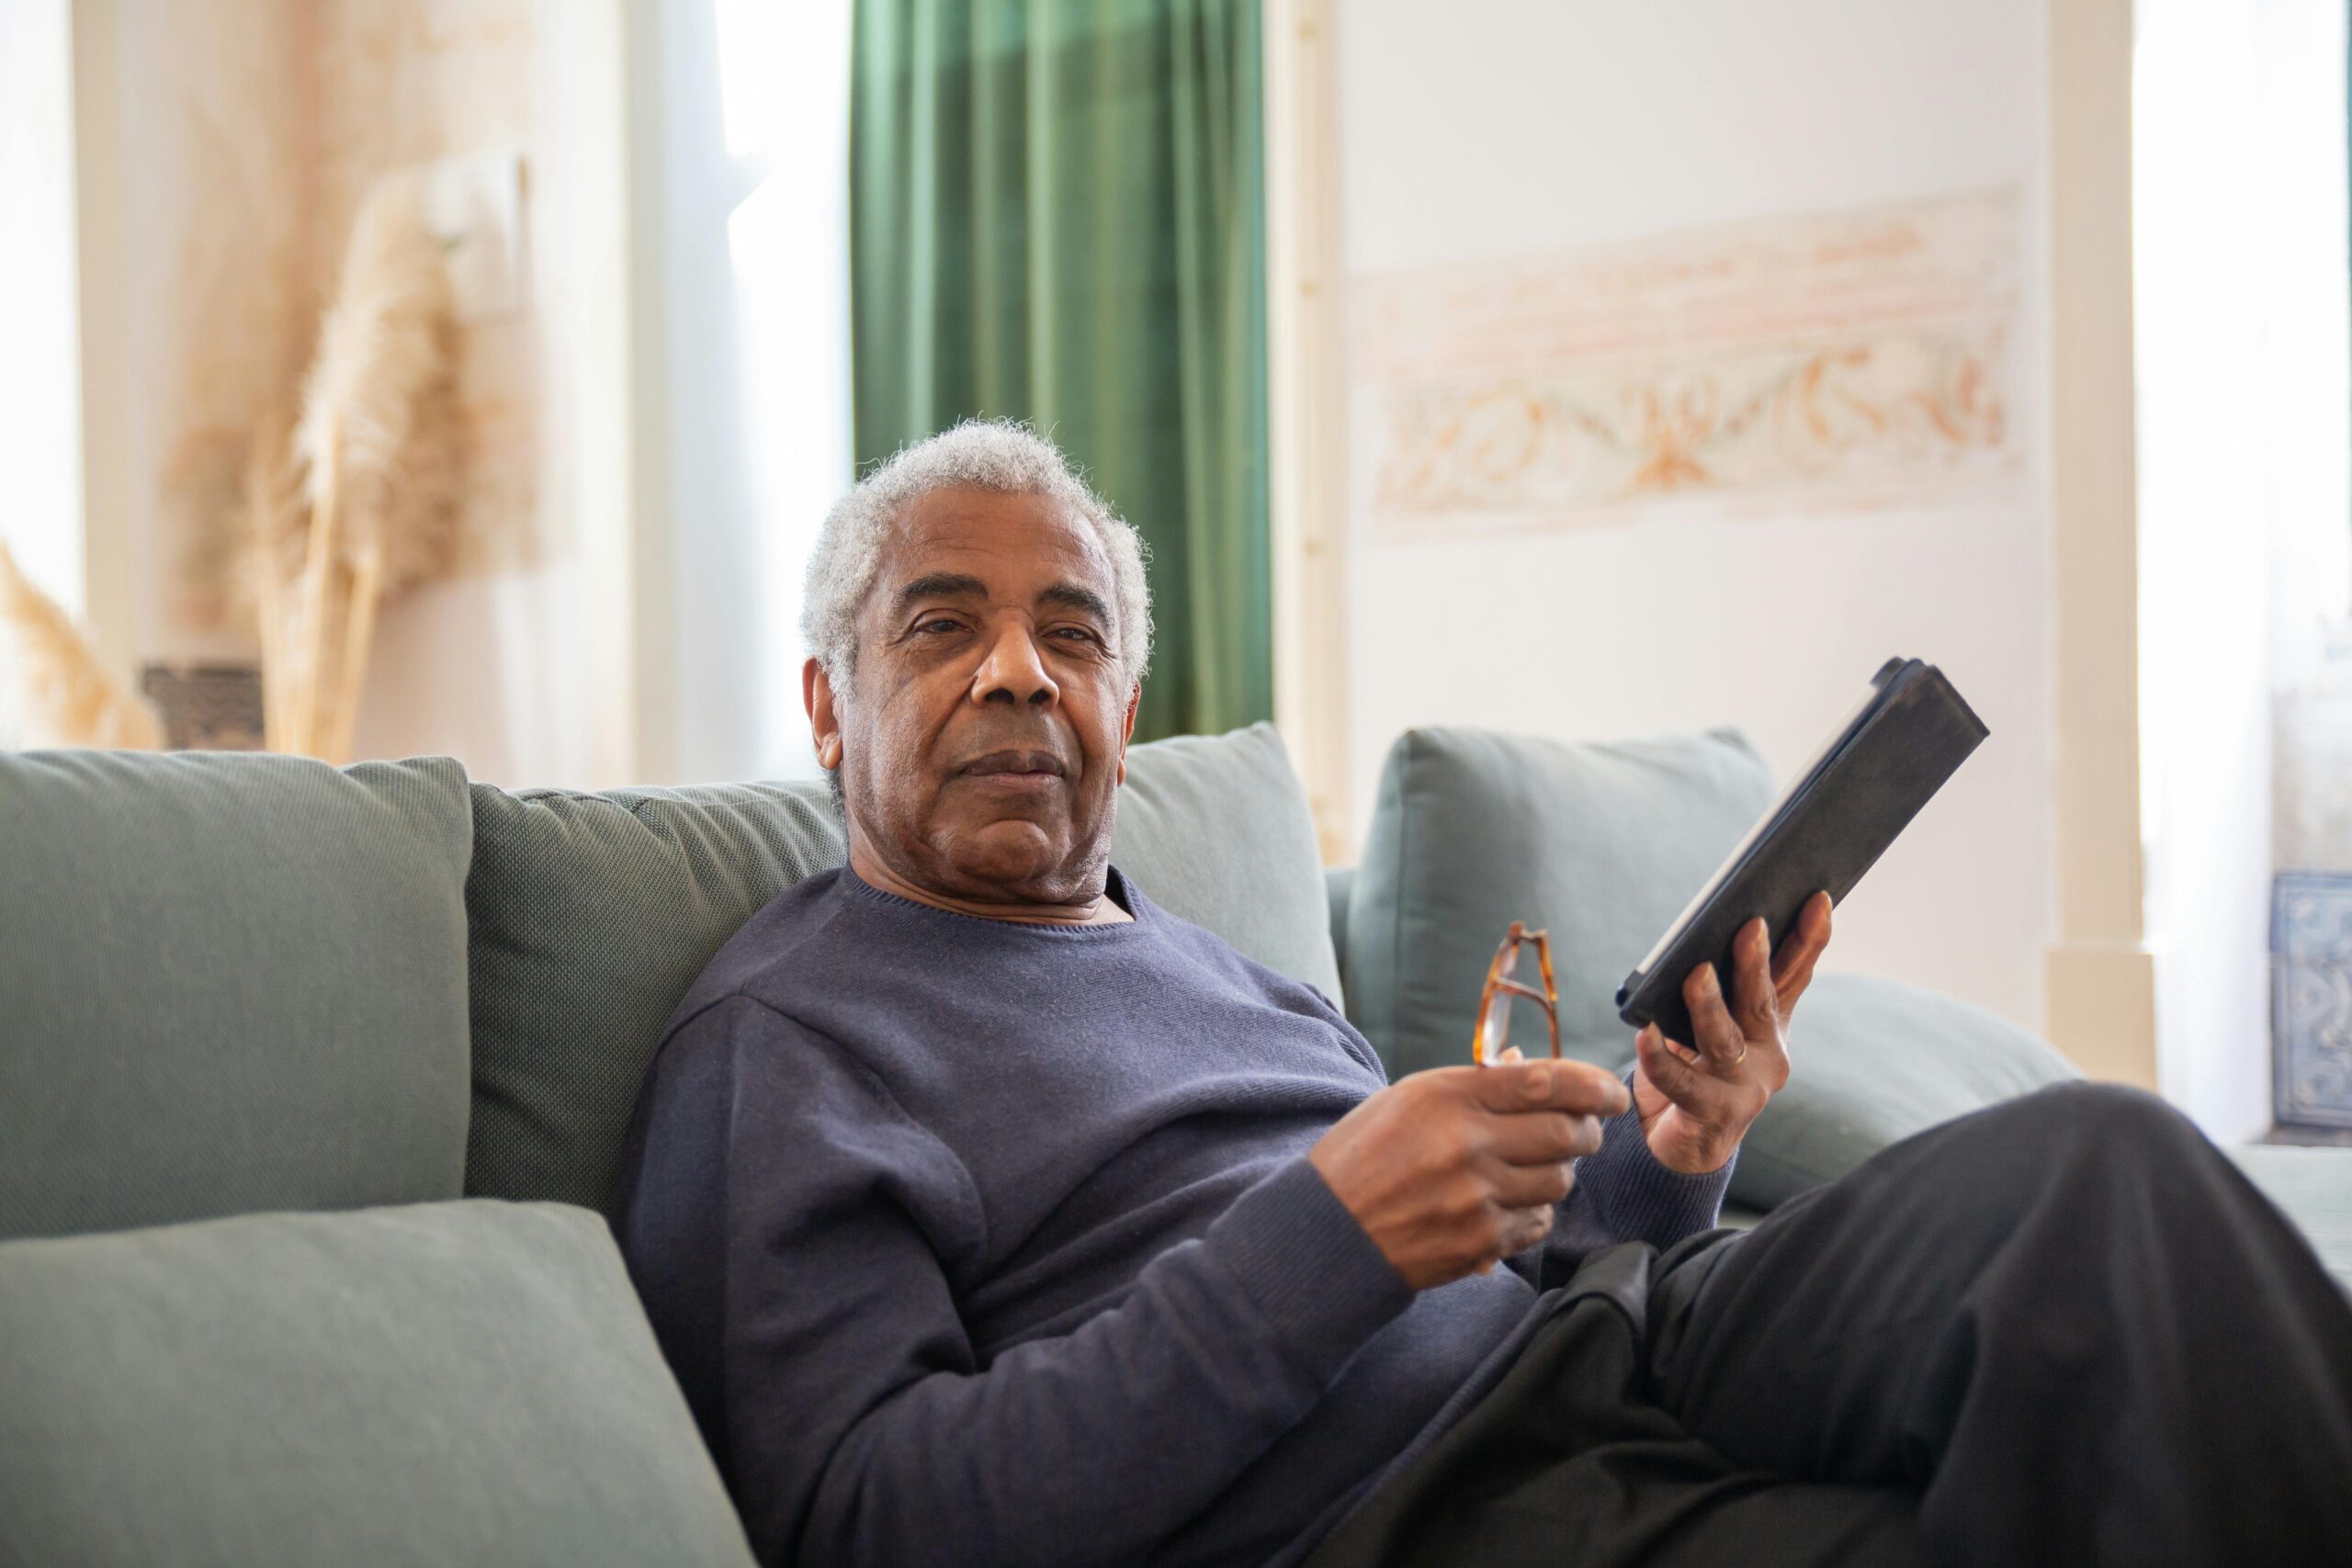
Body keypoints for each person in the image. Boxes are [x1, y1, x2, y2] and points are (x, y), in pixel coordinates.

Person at [609, 421, 2352, 1568]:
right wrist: (1327, 1238)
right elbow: (868, 1522)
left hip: (1618, 1346)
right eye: (941, 626)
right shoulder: (788, 1044)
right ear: (828, 706)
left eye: (1072, 635)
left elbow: (1509, 1257)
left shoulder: (1217, 970)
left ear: (1123, 712)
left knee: (2101, 1173)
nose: (1018, 670)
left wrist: (1670, 1155)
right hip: (1410, 1511)